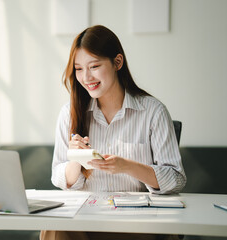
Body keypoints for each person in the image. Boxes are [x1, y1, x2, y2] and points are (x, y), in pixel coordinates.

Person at [41, 25, 187, 240]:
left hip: (137, 221)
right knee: (53, 227)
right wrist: (77, 161)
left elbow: (176, 179)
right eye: (79, 69)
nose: (86, 77)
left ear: (117, 62)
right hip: (86, 217)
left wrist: (126, 166)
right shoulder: (69, 113)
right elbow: (58, 176)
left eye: (94, 66)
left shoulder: (153, 111)